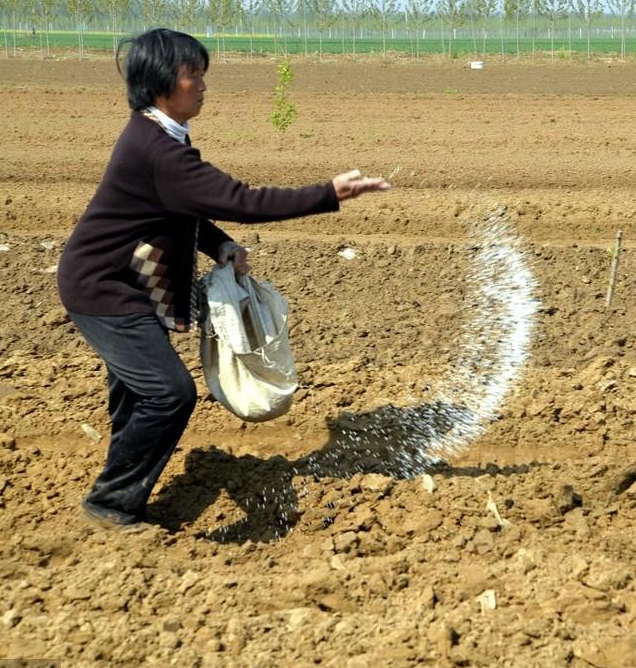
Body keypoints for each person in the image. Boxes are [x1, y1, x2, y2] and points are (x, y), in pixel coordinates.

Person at [57, 28, 389, 532]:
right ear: (161, 83)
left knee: (135, 392)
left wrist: (219, 245)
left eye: (202, 73)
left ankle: (122, 488)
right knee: (168, 393)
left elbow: (177, 207)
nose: (203, 84)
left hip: (124, 280)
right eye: (193, 74)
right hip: (104, 289)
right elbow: (242, 200)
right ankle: (112, 504)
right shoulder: (158, 149)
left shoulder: (157, 135)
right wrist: (329, 192)